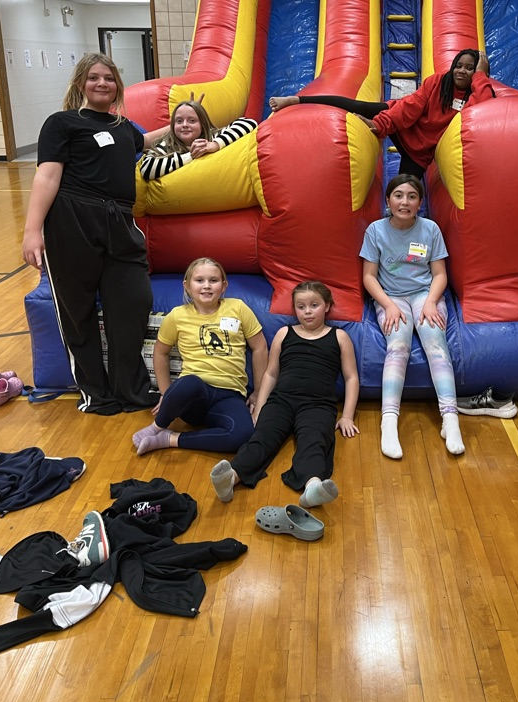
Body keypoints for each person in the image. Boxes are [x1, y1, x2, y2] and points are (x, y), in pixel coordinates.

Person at [22, 53, 169, 415]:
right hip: (72, 220)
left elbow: (143, 142)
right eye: (94, 78)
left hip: (119, 221)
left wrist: (186, 122)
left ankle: (130, 390)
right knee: (78, 311)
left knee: (133, 302)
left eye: (109, 78)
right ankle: (96, 394)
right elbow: (48, 176)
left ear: (118, 84)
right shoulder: (62, 123)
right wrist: (32, 230)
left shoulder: (123, 127)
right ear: (80, 85)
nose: (102, 83)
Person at [210, 281, 359, 508]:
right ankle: (232, 478)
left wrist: (347, 415)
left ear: (327, 306)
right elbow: (270, 374)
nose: (307, 311)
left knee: (315, 440)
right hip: (282, 400)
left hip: (318, 404)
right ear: (294, 309)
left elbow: (351, 378)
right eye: (301, 306)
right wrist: (260, 405)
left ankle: (313, 486)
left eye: (314, 305)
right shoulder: (284, 333)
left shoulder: (339, 337)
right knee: (262, 438)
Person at [360, 173, 464, 459]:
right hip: (390, 297)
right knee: (398, 345)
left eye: (412, 196)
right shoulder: (376, 230)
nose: (404, 202)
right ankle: (389, 422)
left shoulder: (429, 229)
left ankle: (450, 419)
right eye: (398, 195)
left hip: (423, 295)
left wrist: (431, 301)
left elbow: (439, 274)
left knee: (435, 343)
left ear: (420, 202)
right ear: (388, 200)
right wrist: (387, 304)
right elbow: (369, 276)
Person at [269, 49, 494, 178]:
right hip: (404, 124)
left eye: (469, 67)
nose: (462, 71)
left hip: (419, 153)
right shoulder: (438, 82)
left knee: (404, 188)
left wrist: (481, 78)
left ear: (478, 73)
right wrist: (379, 125)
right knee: (357, 106)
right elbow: (409, 108)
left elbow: (480, 112)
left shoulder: (477, 93)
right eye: (459, 65)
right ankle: (295, 100)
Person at [132, 257, 268, 455]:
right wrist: (166, 393)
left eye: (213, 280)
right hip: (194, 395)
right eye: (200, 280)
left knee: (243, 435)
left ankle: (169, 439)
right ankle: (157, 427)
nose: (206, 286)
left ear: (224, 286)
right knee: (190, 383)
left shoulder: (238, 308)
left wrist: (257, 391)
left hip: (230, 394)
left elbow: (260, 348)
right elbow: (160, 352)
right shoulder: (177, 316)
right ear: (187, 286)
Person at [139, 97, 258, 180]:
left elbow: (249, 123)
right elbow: (146, 169)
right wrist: (191, 155)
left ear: (202, 124)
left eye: (192, 121)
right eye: (179, 121)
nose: (185, 125)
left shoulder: (212, 137)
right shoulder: (167, 144)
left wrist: (215, 145)